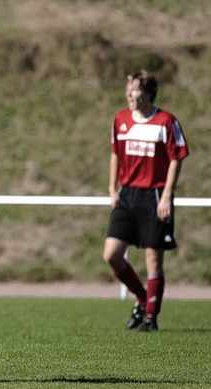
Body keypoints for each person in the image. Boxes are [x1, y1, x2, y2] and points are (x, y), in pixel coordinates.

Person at [103, 70, 189, 332]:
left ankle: (151, 318)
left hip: (155, 194)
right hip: (128, 194)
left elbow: (177, 157)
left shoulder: (166, 121)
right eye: (128, 90)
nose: (130, 94)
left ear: (149, 93)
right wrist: (112, 188)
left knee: (153, 258)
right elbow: (115, 154)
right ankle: (141, 297)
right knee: (112, 255)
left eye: (135, 90)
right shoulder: (120, 119)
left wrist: (166, 195)